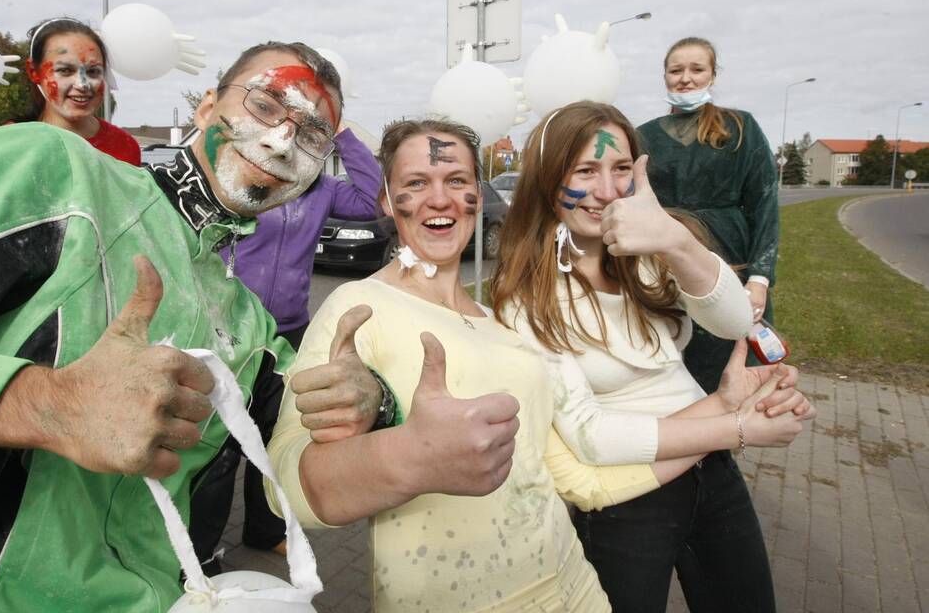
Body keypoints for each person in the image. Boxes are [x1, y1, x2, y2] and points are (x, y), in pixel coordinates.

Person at [0, 41, 386, 611]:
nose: (281, 143)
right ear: (206, 107)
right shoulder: (50, 170)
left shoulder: (246, 322)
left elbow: (299, 412)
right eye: (266, 106)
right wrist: (38, 402)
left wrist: (372, 402)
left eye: (309, 137)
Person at [267, 118, 798, 612]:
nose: (439, 198)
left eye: (457, 179)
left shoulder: (501, 323)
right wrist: (395, 445)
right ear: (386, 197)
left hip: (575, 589)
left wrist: (723, 411)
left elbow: (577, 478)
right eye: (417, 181)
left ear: (479, 195)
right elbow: (283, 487)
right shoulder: (360, 308)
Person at [492, 101, 814, 613]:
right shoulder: (524, 298)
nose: (606, 190)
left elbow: (733, 322)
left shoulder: (654, 253)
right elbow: (591, 437)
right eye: (585, 170)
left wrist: (676, 241)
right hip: (627, 507)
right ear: (549, 182)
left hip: (713, 475)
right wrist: (736, 427)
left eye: (621, 169)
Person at [190, 109, 381, 563]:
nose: (298, 144)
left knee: (273, 438)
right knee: (221, 446)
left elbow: (373, 196)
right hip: (231, 332)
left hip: (289, 332)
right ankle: (199, 551)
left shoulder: (324, 190)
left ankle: (263, 529)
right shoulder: (255, 178)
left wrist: (343, 130)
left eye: (313, 134)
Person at [637, 37, 780, 392]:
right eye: (676, 70)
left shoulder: (740, 127)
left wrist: (759, 279)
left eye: (697, 69)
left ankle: (725, 440)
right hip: (662, 262)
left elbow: (764, 203)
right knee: (669, 354)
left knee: (725, 358)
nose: (685, 78)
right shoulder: (643, 136)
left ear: (713, 75)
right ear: (665, 76)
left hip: (728, 256)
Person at [21, 17, 141, 165]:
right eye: (65, 70)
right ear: (33, 72)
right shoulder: (12, 144)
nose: (82, 85)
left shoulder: (124, 147)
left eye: (93, 71)